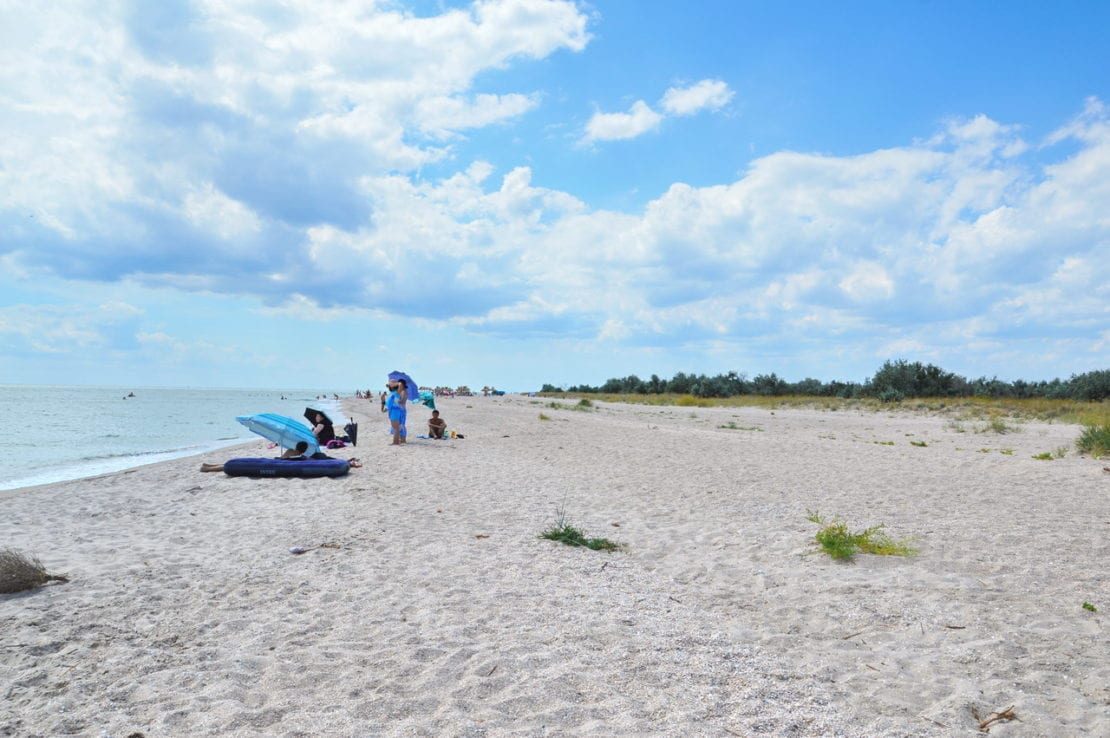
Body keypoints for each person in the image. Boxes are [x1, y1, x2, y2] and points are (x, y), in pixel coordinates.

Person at [382, 378, 408, 445]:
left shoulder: (397, 392)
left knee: (396, 427)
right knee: (396, 427)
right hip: (393, 412)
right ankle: (397, 441)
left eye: (392, 383)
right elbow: (384, 409)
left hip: (395, 411)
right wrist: (382, 400)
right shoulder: (392, 394)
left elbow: (401, 384)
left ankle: (395, 442)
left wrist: (393, 383)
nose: (390, 384)